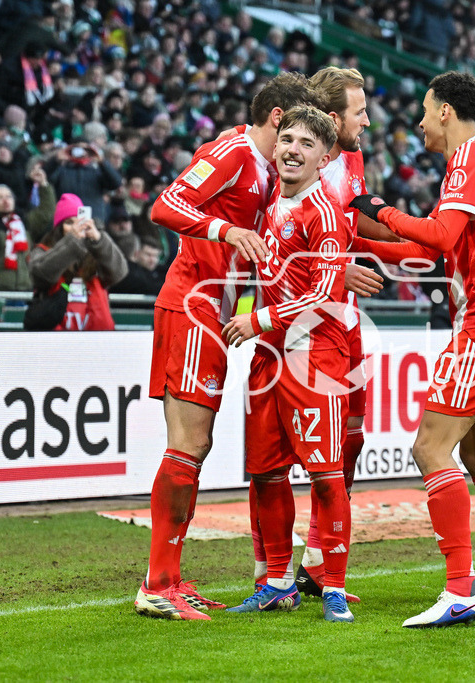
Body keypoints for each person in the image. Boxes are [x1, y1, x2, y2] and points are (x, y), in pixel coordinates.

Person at [350, 72, 475, 627]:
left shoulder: (471, 158)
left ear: (445, 112)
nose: (418, 122)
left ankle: (461, 587)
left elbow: (436, 237)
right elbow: (435, 247)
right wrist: (360, 239)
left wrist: (380, 209)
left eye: (424, 108)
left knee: (430, 450)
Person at [136, 72, 316, 621]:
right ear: (279, 117)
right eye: (295, 126)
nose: (296, 144)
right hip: (192, 305)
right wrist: (222, 231)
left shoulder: (262, 169)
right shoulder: (234, 151)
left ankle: (168, 577)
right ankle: (156, 584)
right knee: (188, 446)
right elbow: (165, 206)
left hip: (214, 313)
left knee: (197, 446)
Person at [222, 105, 355, 623]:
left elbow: (326, 290)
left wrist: (259, 320)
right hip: (270, 357)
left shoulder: (323, 209)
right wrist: (251, 318)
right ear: (275, 145)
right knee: (267, 473)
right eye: (287, 140)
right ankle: (277, 581)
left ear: (325, 157)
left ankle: (336, 587)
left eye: (306, 144)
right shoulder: (271, 205)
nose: (293, 149)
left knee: (326, 475)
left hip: (314, 355)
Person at [291, 65, 373, 601]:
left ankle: (315, 559)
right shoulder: (298, 166)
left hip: (344, 321)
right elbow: (279, 233)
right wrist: (332, 265)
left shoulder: (352, 161)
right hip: (304, 325)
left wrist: (428, 242)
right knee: (294, 456)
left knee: (352, 440)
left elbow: (357, 221)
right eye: (359, 112)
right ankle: (276, 572)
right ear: (332, 117)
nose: (366, 121)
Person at [28, 193, 128, 331]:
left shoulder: (95, 251)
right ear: (59, 228)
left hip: (96, 337)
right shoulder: (42, 251)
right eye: (69, 223)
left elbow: (119, 272)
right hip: (55, 335)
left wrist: (99, 240)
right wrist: (72, 243)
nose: (76, 227)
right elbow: (40, 275)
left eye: (79, 222)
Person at [0, 165, 54, 291]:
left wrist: (43, 184)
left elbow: (46, 213)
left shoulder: (24, 222)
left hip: (23, 287)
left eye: (9, 196)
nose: (5, 201)